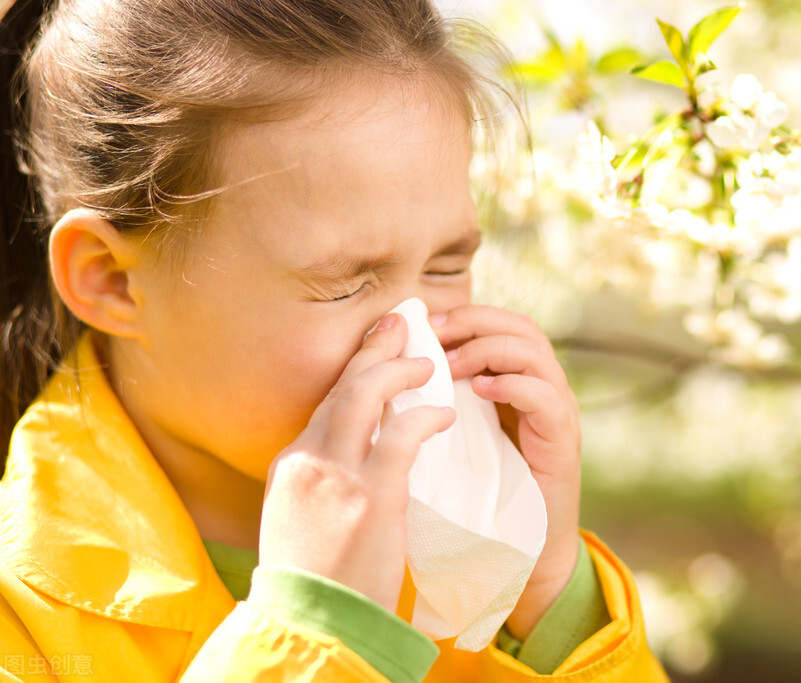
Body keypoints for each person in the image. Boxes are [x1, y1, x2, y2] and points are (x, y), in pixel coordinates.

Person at [0, 0, 669, 680]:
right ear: (112, 280)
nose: (416, 343)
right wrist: (315, 633)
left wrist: (548, 594)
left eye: (446, 266)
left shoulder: (461, 521)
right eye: (345, 283)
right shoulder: (20, 615)